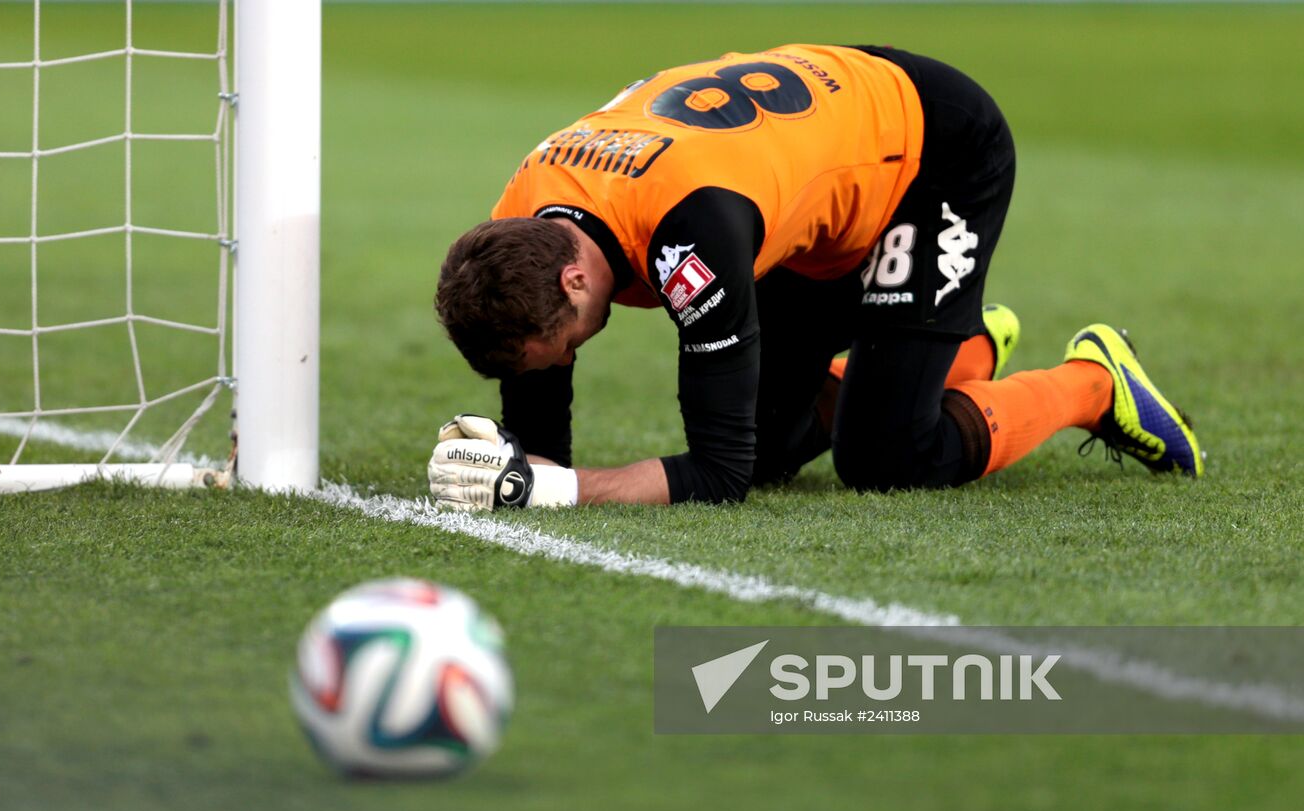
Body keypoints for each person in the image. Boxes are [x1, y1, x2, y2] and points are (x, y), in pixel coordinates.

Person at [427, 44, 1202, 511]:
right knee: (769, 449)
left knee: (887, 460)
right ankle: (947, 348)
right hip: (802, 180)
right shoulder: (523, 220)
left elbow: (716, 476)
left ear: (571, 282)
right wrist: (516, 463)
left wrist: (555, 489)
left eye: (560, 351)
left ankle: (1091, 381)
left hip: (927, 152)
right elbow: (537, 395)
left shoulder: (690, 238)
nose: (563, 365)